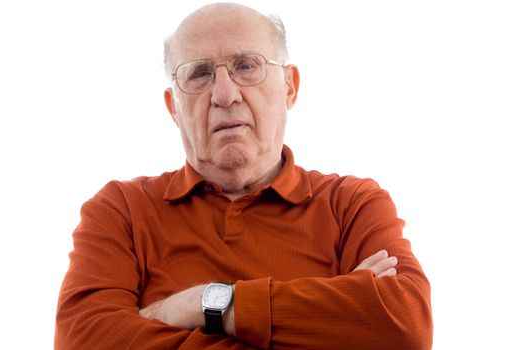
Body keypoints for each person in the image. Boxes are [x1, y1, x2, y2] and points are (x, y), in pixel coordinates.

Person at [55, 3, 433, 349]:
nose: (224, 93)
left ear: (289, 87)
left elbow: (405, 325)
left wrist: (198, 305)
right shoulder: (120, 211)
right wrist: (329, 320)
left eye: (247, 65)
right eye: (199, 74)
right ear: (173, 106)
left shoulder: (351, 204)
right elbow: (82, 341)